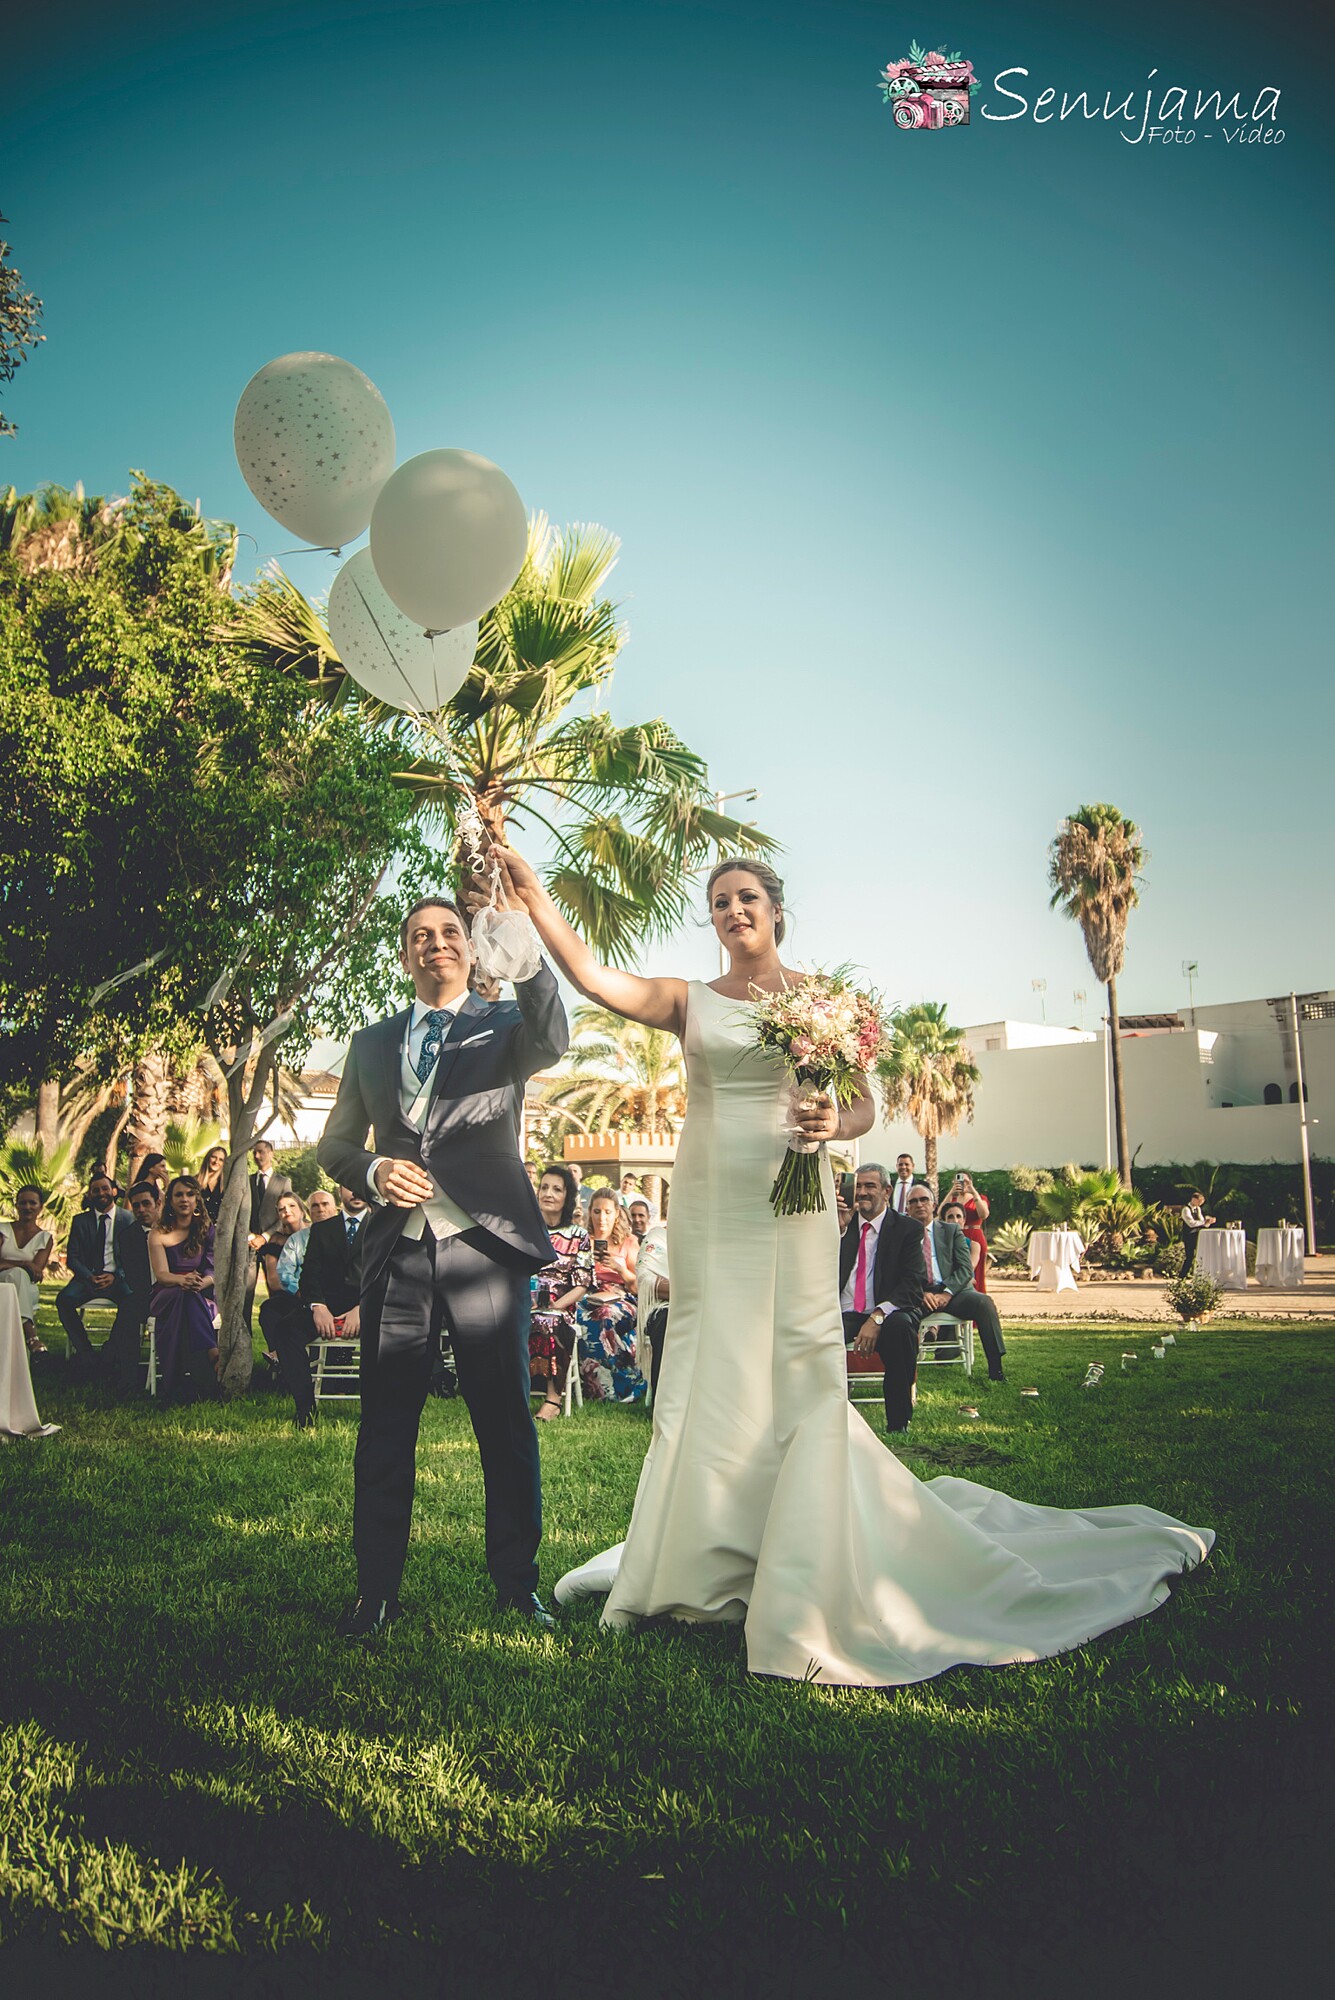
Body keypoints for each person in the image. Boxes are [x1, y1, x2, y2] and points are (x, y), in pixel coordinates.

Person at [485, 841, 1213, 1688]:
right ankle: (701, 1559)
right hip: (714, 1205)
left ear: (776, 909)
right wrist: (535, 900)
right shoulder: (690, 1001)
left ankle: (808, 1555)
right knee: (710, 1364)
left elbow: (862, 1102)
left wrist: (833, 1120)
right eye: (718, 901)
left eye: (746, 896)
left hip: (793, 1205)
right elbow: (597, 979)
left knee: (796, 1363)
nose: (733, 910)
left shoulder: (821, 1004)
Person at [317, 892, 569, 1640]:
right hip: (397, 1256)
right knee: (386, 1426)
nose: (435, 945)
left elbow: (553, 1036)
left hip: (485, 1250)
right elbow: (332, 1145)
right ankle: (375, 1593)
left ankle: (516, 1587)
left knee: (505, 1423)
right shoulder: (370, 1042)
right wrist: (369, 1172)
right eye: (419, 936)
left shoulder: (504, 1025)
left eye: (449, 933)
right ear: (404, 956)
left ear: (468, 946)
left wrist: (522, 957)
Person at [260, 1183, 369, 1429]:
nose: (356, 1191)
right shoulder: (322, 1230)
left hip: (368, 1309)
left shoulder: (382, 1226)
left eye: (361, 1183)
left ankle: (374, 1408)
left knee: (392, 1333)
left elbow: (388, 1275)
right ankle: (305, 1409)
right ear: (341, 1190)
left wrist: (362, 1308)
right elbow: (309, 1274)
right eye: (350, 1185)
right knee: (285, 1330)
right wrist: (318, 1306)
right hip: (326, 1308)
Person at [840, 1165, 926, 1433]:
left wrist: (877, 1316)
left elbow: (913, 1283)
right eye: (859, 1187)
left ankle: (898, 1423)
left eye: (870, 1187)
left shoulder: (907, 1229)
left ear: (887, 1191)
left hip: (890, 1309)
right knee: (813, 1332)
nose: (862, 1193)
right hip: (843, 1310)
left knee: (899, 1327)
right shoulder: (840, 1226)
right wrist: (839, 1228)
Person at [906, 1185, 1006, 1382]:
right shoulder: (901, 1235)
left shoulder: (950, 1231)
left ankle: (996, 1369)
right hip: (918, 1295)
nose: (919, 1204)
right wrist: (920, 1293)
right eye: (913, 1201)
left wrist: (947, 1293)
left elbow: (965, 1268)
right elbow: (898, 1272)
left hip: (953, 1292)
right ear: (907, 1208)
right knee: (900, 1318)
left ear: (934, 1205)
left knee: (983, 1303)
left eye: (924, 1199)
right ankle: (906, 1373)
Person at [529, 1164, 592, 1421]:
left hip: (561, 1308)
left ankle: (553, 1399)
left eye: (556, 1189)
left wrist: (556, 1306)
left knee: (548, 1321)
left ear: (567, 1196)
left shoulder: (578, 1235)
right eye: (544, 1187)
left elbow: (582, 1284)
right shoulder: (527, 1231)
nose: (548, 1193)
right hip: (524, 1301)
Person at [149, 1175, 219, 1402]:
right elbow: (161, 1274)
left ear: (198, 1200)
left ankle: (175, 1383)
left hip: (197, 1293)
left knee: (188, 1298)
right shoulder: (158, 1232)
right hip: (165, 1293)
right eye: (178, 1194)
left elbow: (212, 1272)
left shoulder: (207, 1230)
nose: (185, 1199)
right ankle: (212, 1353)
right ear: (170, 1200)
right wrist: (182, 1281)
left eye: (190, 1194)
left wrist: (201, 1283)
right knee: (184, 1296)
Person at [57, 1173, 136, 1370]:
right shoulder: (80, 1221)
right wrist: (89, 1276)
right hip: (87, 1279)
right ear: (90, 1195)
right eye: (95, 1190)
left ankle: (111, 1349)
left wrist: (115, 1276)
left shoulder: (128, 1219)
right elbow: (73, 1258)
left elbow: (134, 1259)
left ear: (114, 1191)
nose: (100, 1193)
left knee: (132, 1301)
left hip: (118, 1279)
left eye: (104, 1188)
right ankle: (86, 1353)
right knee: (63, 1300)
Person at [576, 1189, 644, 1402]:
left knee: (603, 1316)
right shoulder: (583, 1240)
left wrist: (619, 1269)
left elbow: (638, 1285)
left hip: (621, 1296)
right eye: (597, 1211)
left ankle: (612, 1388)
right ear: (590, 1212)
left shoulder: (628, 1241)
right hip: (587, 1293)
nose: (601, 1218)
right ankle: (588, 1386)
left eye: (607, 1212)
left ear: (616, 1214)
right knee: (577, 1315)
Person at [106, 1180, 161, 1393]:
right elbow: (134, 1277)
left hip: (174, 1293)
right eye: (136, 1205)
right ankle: (128, 1376)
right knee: (128, 1309)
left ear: (157, 1203)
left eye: (146, 1204)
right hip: (145, 1295)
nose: (141, 1210)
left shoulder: (172, 1231)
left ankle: (109, 1358)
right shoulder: (128, 1236)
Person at [243, 1140, 293, 1329]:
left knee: (277, 1292)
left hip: (273, 1243)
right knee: (246, 1294)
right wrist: (250, 1236)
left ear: (271, 1153)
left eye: (262, 1152)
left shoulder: (283, 1182)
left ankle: (279, 1339)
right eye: (255, 1152)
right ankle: (244, 1339)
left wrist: (264, 1236)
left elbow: (288, 1214)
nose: (257, 1156)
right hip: (249, 1245)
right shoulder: (247, 1180)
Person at [0, 1185, 54, 1353]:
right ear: (16, 1205)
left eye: (32, 1203)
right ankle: (32, 1337)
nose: (27, 1207)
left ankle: (28, 1337)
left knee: (19, 1276)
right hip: (1, 1285)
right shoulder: (2, 1230)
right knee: (18, 1273)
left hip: (26, 1287)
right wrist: (24, 1264)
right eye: (22, 1203)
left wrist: (9, 1263)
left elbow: (35, 1272)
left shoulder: (45, 1238)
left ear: (40, 1207)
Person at [636, 1218, 670, 1396]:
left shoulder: (704, 1239)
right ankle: (663, 1400)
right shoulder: (658, 1238)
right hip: (661, 1306)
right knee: (666, 1323)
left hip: (702, 1305)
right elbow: (645, 1279)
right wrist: (689, 1290)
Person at [941, 1197, 988, 1293]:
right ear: (944, 1221)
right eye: (950, 1217)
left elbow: (968, 1269)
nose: (955, 1220)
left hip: (964, 1287)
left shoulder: (974, 1246)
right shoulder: (939, 1243)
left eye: (959, 1216)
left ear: (964, 1220)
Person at [1180, 1192, 1214, 1274]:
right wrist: (1204, 1222)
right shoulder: (1186, 1209)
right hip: (1189, 1235)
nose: (1200, 1204)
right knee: (1190, 1256)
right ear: (1194, 1199)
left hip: (1198, 1234)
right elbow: (1191, 1223)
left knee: (1200, 1254)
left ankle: (1197, 1273)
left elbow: (1201, 1221)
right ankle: (1183, 1275)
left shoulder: (1198, 1209)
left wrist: (1208, 1222)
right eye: (1199, 1202)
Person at [197, 1146, 227, 1222]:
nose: (216, 1162)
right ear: (208, 1158)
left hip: (219, 1230)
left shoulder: (226, 1184)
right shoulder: (194, 1181)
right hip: (197, 1227)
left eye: (221, 1160)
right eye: (214, 1157)